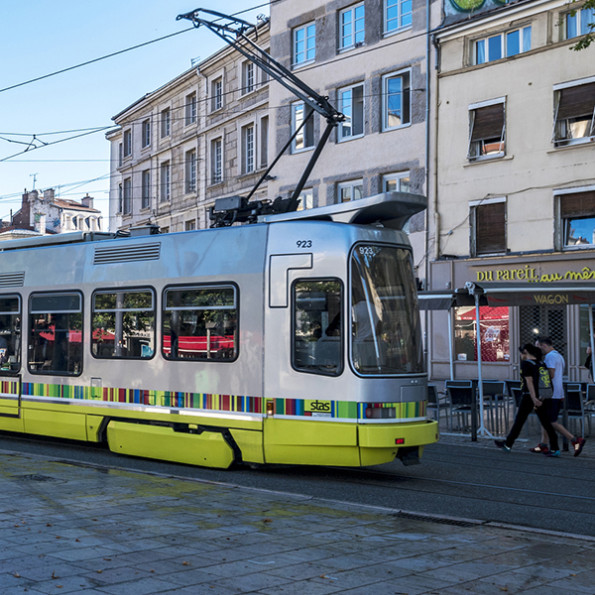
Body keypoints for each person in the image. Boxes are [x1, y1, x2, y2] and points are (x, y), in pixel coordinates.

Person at [495, 344, 560, 455]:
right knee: (545, 422)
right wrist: (542, 397)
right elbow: (545, 381)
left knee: (519, 420)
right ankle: (555, 448)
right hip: (543, 396)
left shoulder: (526, 364)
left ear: (526, 352)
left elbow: (529, 382)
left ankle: (508, 444)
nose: (520, 355)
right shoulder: (541, 363)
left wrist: (533, 398)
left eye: (521, 353)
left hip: (529, 396)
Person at [533, 337, 586, 457]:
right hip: (557, 392)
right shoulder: (559, 356)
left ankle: (574, 440)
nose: (537, 349)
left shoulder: (550, 357)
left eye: (537, 346)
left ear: (543, 345)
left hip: (551, 393)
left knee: (552, 422)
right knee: (546, 419)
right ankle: (544, 444)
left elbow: (550, 374)